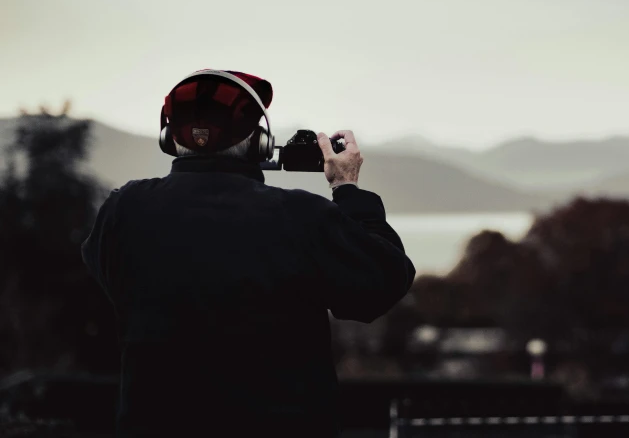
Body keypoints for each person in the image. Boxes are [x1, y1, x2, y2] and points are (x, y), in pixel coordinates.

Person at [81, 70, 415, 437]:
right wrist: (347, 188)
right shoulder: (300, 217)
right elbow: (381, 282)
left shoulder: (124, 209)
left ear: (169, 138)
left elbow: (107, 275)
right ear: (260, 142)